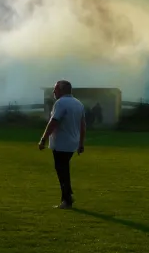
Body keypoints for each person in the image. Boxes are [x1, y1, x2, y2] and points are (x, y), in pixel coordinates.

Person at [38, 80, 86, 209]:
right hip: (72, 143)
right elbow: (83, 126)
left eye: (55, 89)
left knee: (62, 171)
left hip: (61, 143)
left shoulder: (61, 103)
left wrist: (43, 139)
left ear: (62, 90)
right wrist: (81, 143)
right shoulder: (78, 103)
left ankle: (67, 200)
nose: (54, 91)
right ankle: (68, 196)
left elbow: (53, 122)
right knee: (64, 169)